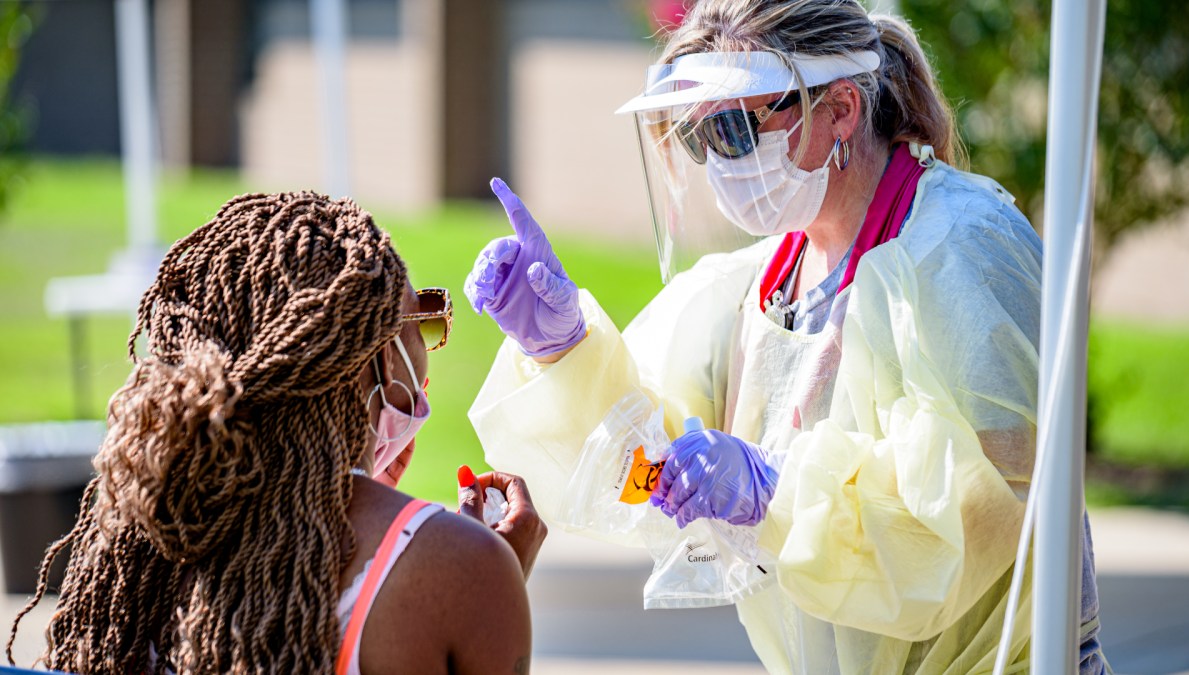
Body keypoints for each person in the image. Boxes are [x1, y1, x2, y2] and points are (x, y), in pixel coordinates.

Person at [464, 0, 1104, 673]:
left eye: (737, 129)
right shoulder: (761, 285)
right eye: (698, 138)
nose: (719, 162)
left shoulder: (959, 249)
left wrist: (775, 489)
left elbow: (977, 520)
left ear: (840, 111)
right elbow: (651, 473)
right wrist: (564, 349)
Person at [7, 192, 546, 674]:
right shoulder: (458, 571)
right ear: (372, 355)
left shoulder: (135, 542)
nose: (428, 345)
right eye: (421, 321)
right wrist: (490, 578)